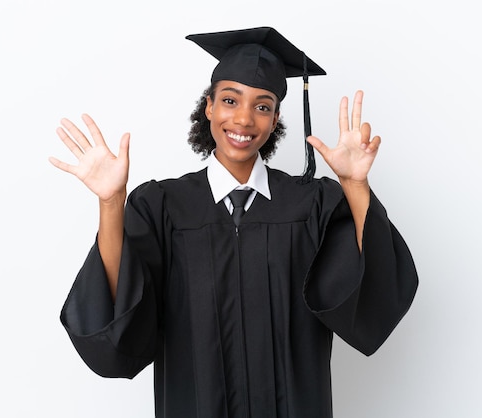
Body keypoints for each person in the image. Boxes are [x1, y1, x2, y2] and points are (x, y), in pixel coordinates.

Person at [50, 27, 418, 418]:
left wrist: (355, 185)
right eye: (229, 100)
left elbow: (373, 289)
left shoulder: (313, 204)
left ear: (276, 119)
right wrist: (111, 203)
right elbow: (118, 304)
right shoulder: (162, 206)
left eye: (262, 106)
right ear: (208, 106)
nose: (243, 119)